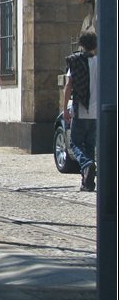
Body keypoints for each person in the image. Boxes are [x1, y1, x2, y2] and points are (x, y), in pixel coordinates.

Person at [62, 30, 98, 192]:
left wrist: (65, 108)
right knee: (90, 145)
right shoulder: (101, 62)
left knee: (75, 143)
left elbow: (69, 87)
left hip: (81, 110)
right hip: (97, 113)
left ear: (81, 44)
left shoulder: (75, 61)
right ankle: (87, 182)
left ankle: (87, 164)